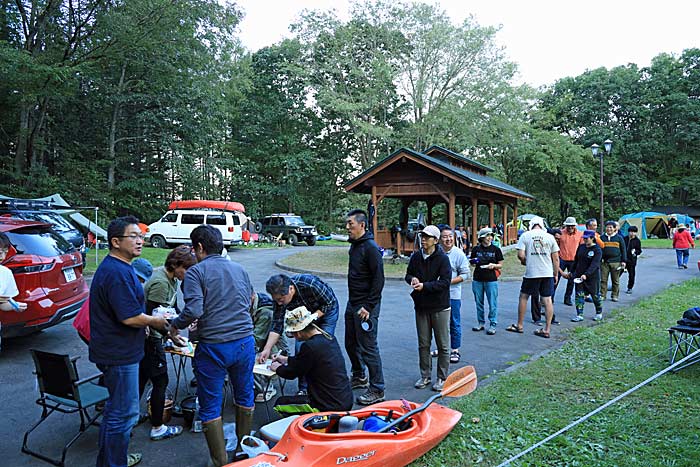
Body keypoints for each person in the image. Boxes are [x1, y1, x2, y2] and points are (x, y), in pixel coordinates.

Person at [168, 225, 255, 466]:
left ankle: (220, 462)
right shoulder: (239, 269)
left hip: (214, 346)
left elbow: (194, 309)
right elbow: (250, 299)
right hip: (244, 343)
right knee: (245, 394)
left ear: (199, 247)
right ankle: (243, 452)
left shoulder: (196, 272)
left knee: (210, 404)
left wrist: (176, 324)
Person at [89, 216, 169, 467]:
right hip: (119, 354)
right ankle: (115, 463)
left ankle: (109, 461)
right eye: (133, 236)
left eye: (141, 236)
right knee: (124, 416)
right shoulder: (117, 273)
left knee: (114, 412)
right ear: (115, 241)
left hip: (117, 350)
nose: (140, 241)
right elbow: (129, 317)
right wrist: (155, 321)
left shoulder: (119, 268)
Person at [138, 246, 195, 441]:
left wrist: (181, 320)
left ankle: (129, 417)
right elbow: (154, 317)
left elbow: (171, 307)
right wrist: (172, 336)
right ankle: (158, 427)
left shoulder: (171, 280)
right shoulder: (161, 282)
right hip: (150, 338)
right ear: (176, 265)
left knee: (141, 378)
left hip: (155, 336)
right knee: (161, 381)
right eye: (186, 269)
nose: (187, 274)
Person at [259, 273, 339, 395]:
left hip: (325, 311)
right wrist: (267, 349)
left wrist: (310, 319)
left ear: (291, 289)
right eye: (276, 300)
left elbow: (329, 303)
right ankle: (304, 389)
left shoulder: (310, 284)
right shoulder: (279, 299)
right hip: (302, 319)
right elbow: (277, 325)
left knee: (321, 347)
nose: (279, 303)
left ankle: (325, 386)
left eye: (281, 299)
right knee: (301, 349)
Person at [270, 306, 353, 412]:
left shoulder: (309, 346)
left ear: (298, 333)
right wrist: (285, 359)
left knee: (280, 404)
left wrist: (277, 368)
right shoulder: (328, 337)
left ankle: (308, 423)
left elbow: (292, 373)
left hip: (327, 406)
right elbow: (306, 361)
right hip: (345, 399)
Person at [344, 209, 386, 405]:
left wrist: (369, 306)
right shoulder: (354, 246)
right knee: (350, 343)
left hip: (366, 306)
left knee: (368, 347)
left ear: (361, 225)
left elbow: (379, 280)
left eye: (350, 224)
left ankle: (377, 388)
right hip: (352, 303)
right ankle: (360, 375)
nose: (347, 228)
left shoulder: (370, 248)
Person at [405, 225, 452, 392]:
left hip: (440, 306)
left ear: (435, 240)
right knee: (423, 343)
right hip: (421, 306)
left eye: (427, 237)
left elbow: (445, 282)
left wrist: (425, 286)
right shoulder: (416, 256)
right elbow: (408, 274)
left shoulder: (442, 258)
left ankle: (441, 377)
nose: (423, 239)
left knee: (443, 345)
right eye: (422, 236)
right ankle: (425, 375)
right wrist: (412, 279)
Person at [507, 216, 559, 339]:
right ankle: (547, 329)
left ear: (531, 225)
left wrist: (525, 261)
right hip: (547, 273)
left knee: (524, 297)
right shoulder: (550, 237)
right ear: (542, 225)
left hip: (532, 272)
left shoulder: (525, 235)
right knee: (547, 300)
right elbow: (556, 258)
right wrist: (555, 273)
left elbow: (520, 254)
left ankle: (519, 325)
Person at [436, 227, 470, 361]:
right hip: (437, 295)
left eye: (450, 236)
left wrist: (447, 282)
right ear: (439, 239)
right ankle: (442, 348)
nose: (448, 239)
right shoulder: (436, 253)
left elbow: (466, 274)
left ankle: (455, 350)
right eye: (445, 236)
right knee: (438, 324)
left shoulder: (458, 254)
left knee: (454, 322)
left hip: (453, 295)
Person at [250, 289, 288, 402]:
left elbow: (257, 339)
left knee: (248, 357)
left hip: (276, 351)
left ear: (251, 296)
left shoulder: (265, 312)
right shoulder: (254, 302)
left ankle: (266, 388)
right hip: (265, 345)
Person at [469, 227, 503, 335]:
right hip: (478, 278)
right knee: (479, 302)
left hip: (491, 279)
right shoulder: (476, 249)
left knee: (492, 303)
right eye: (487, 236)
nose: (489, 238)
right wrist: (474, 261)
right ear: (482, 238)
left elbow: (500, 264)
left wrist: (493, 265)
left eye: (491, 236)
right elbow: (473, 263)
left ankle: (493, 324)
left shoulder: (496, 249)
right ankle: (481, 323)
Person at [0, 232, 28, 351]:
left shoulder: (5, 273)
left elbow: (3, 304)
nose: (2, 256)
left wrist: (14, 306)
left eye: (5, 251)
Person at [570, 230, 603, 321]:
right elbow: (576, 260)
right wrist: (571, 271)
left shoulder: (597, 250)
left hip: (592, 277)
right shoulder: (581, 247)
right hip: (579, 276)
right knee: (579, 295)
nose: (584, 240)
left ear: (592, 238)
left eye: (586, 238)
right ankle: (579, 314)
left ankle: (599, 312)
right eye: (583, 238)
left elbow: (594, 264)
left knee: (595, 296)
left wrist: (586, 274)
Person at [557, 217, 583, 306]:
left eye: (572, 226)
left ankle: (567, 298)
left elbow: (581, 246)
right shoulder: (560, 233)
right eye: (568, 226)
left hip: (574, 260)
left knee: (571, 280)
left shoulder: (580, 234)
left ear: (575, 226)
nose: (570, 227)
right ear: (566, 226)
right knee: (556, 277)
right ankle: (550, 297)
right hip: (562, 258)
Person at [600, 221, 627, 302]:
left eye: (611, 227)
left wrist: (624, 261)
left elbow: (623, 250)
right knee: (603, 280)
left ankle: (614, 295)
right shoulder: (602, 238)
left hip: (616, 262)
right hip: (604, 262)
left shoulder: (619, 238)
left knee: (615, 280)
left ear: (615, 229)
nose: (609, 229)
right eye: (607, 227)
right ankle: (602, 295)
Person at [623, 226, 642, 294]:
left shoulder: (637, 241)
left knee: (631, 275)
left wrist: (635, 252)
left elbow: (639, 251)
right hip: (623, 259)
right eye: (631, 232)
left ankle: (630, 287)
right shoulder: (624, 239)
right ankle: (614, 286)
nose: (632, 233)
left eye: (634, 232)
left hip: (631, 260)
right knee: (617, 273)